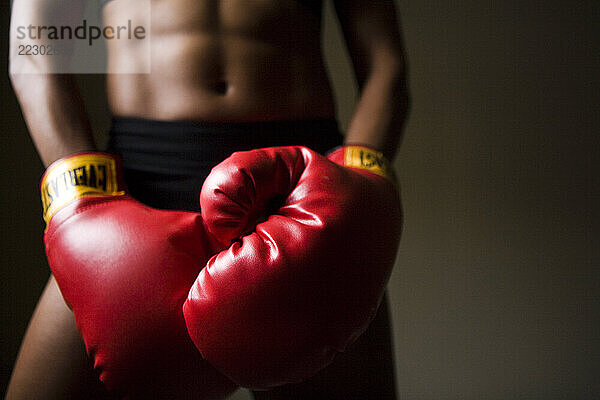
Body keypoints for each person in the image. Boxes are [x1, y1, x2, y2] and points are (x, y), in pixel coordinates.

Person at [6, 0, 409, 398]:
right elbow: (34, 47)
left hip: (302, 201)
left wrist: (353, 200)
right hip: (136, 201)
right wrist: (83, 206)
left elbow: (385, 66)